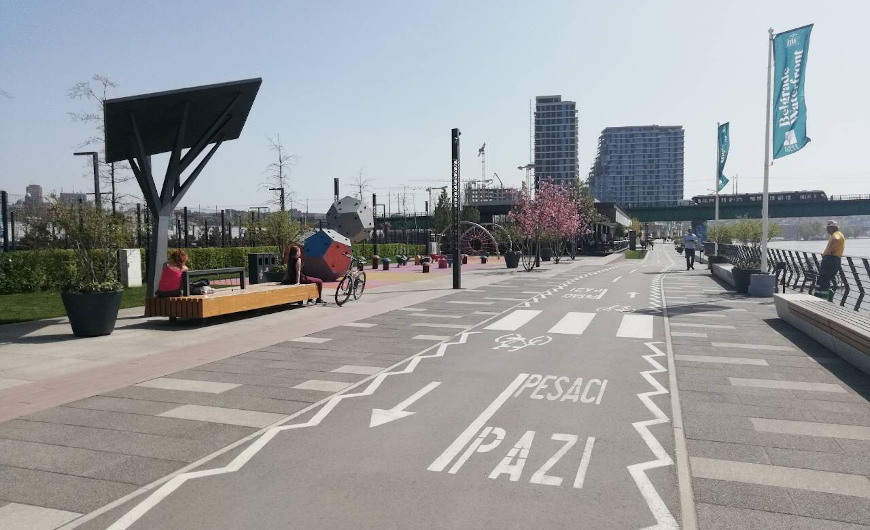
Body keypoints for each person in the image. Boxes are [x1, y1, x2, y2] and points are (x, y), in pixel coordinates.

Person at [815, 220, 846, 294]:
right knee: (822, 278)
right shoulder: (835, 234)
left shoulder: (836, 234)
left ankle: (823, 297)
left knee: (825, 278)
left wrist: (830, 250)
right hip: (830, 258)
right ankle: (818, 295)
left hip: (831, 259)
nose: (827, 230)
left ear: (833, 228)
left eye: (828, 228)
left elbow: (836, 239)